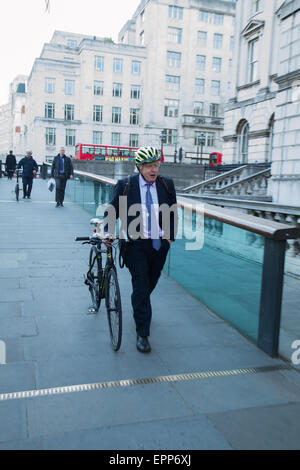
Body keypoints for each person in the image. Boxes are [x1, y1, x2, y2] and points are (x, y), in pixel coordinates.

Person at [104, 146, 177, 353]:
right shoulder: (126, 185)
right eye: (148, 166)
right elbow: (112, 211)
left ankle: (139, 304)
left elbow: (172, 211)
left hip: (159, 245)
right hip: (135, 244)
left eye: (156, 165)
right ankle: (142, 334)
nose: (153, 170)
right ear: (139, 167)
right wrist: (108, 232)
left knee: (148, 285)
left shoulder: (166, 184)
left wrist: (169, 238)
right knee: (142, 285)